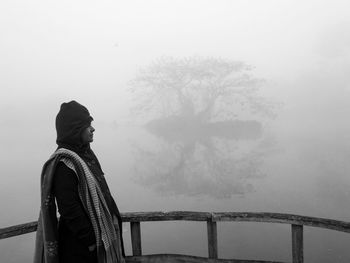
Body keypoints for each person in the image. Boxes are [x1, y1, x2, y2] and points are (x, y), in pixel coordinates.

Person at [34, 100, 125, 263]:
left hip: (95, 241)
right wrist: (90, 241)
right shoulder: (64, 163)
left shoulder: (86, 155)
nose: (93, 128)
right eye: (87, 125)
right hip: (80, 248)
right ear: (75, 129)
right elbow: (69, 208)